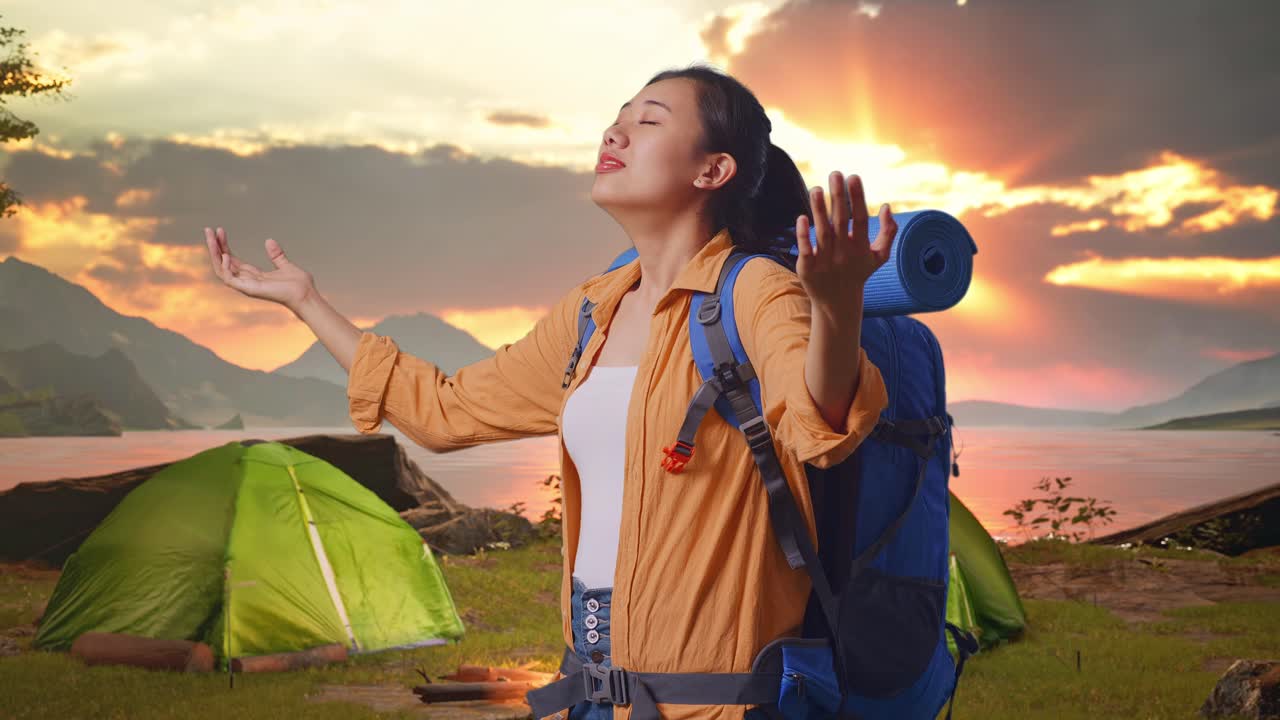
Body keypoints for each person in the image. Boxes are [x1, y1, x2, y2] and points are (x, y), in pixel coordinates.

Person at [205, 63, 895, 720]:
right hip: (590, 685)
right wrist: (307, 302)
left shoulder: (756, 293)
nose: (614, 133)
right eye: (617, 119)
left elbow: (819, 426)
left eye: (648, 122)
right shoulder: (592, 312)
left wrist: (835, 310)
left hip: (714, 696)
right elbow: (445, 411)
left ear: (712, 170)